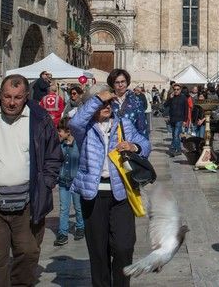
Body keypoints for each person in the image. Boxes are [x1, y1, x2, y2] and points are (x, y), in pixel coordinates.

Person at [0, 74, 62, 286]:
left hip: (29, 201)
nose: (11, 102)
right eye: (7, 96)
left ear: (26, 96)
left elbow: (54, 154)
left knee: (28, 253)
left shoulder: (40, 118)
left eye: (17, 97)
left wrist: (46, 182)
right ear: (1, 95)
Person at [70, 88, 151, 287]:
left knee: (124, 247)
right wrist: (98, 98)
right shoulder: (85, 128)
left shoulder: (123, 124)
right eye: (101, 104)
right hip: (93, 195)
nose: (106, 107)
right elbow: (74, 122)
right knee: (98, 250)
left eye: (108, 104)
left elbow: (145, 145)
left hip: (121, 193)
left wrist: (134, 147)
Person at [54, 117, 84, 246]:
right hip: (63, 182)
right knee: (63, 208)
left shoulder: (79, 145)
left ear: (69, 131)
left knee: (78, 207)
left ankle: (80, 227)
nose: (58, 133)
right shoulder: (59, 145)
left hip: (76, 182)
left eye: (60, 130)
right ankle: (63, 233)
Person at [107, 69, 148, 138]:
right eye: (117, 82)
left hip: (130, 144)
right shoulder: (107, 101)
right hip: (110, 143)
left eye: (123, 81)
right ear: (112, 84)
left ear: (127, 82)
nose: (120, 85)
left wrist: (141, 146)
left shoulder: (136, 102)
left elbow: (142, 127)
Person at [163, 83, 188, 156]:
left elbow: (186, 110)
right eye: (175, 89)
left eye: (178, 89)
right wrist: (169, 98)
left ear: (180, 90)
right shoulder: (172, 97)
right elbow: (165, 105)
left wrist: (185, 120)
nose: (176, 91)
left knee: (176, 135)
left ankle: (175, 149)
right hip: (172, 119)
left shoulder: (183, 98)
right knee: (174, 135)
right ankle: (178, 149)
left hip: (180, 119)